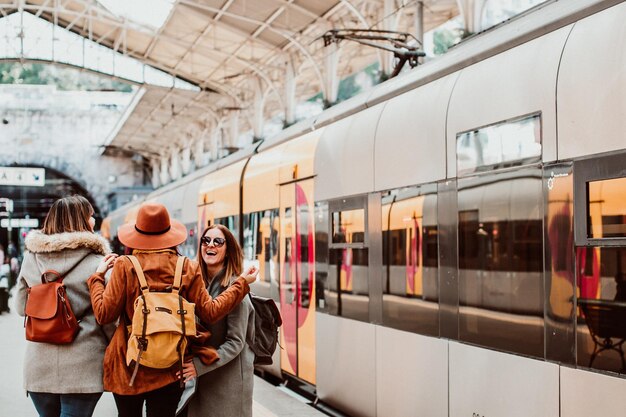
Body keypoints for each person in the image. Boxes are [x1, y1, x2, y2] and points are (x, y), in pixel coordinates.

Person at [88, 203, 258, 417]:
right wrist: (241, 283)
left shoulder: (125, 265)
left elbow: (104, 315)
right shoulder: (187, 266)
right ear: (169, 233)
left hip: (128, 366)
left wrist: (96, 278)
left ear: (137, 234)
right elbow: (211, 312)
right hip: (170, 366)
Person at [15, 195, 112, 417]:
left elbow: (21, 307)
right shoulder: (99, 263)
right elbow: (107, 315)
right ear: (82, 221)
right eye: (91, 216)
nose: (94, 221)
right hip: (83, 367)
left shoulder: (31, 258)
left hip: (39, 365)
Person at [179, 224, 256, 417]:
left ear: (228, 250)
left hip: (227, 385)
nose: (210, 245)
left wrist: (199, 366)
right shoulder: (198, 285)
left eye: (218, 241)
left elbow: (236, 342)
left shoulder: (236, 288)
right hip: (201, 381)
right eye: (206, 240)